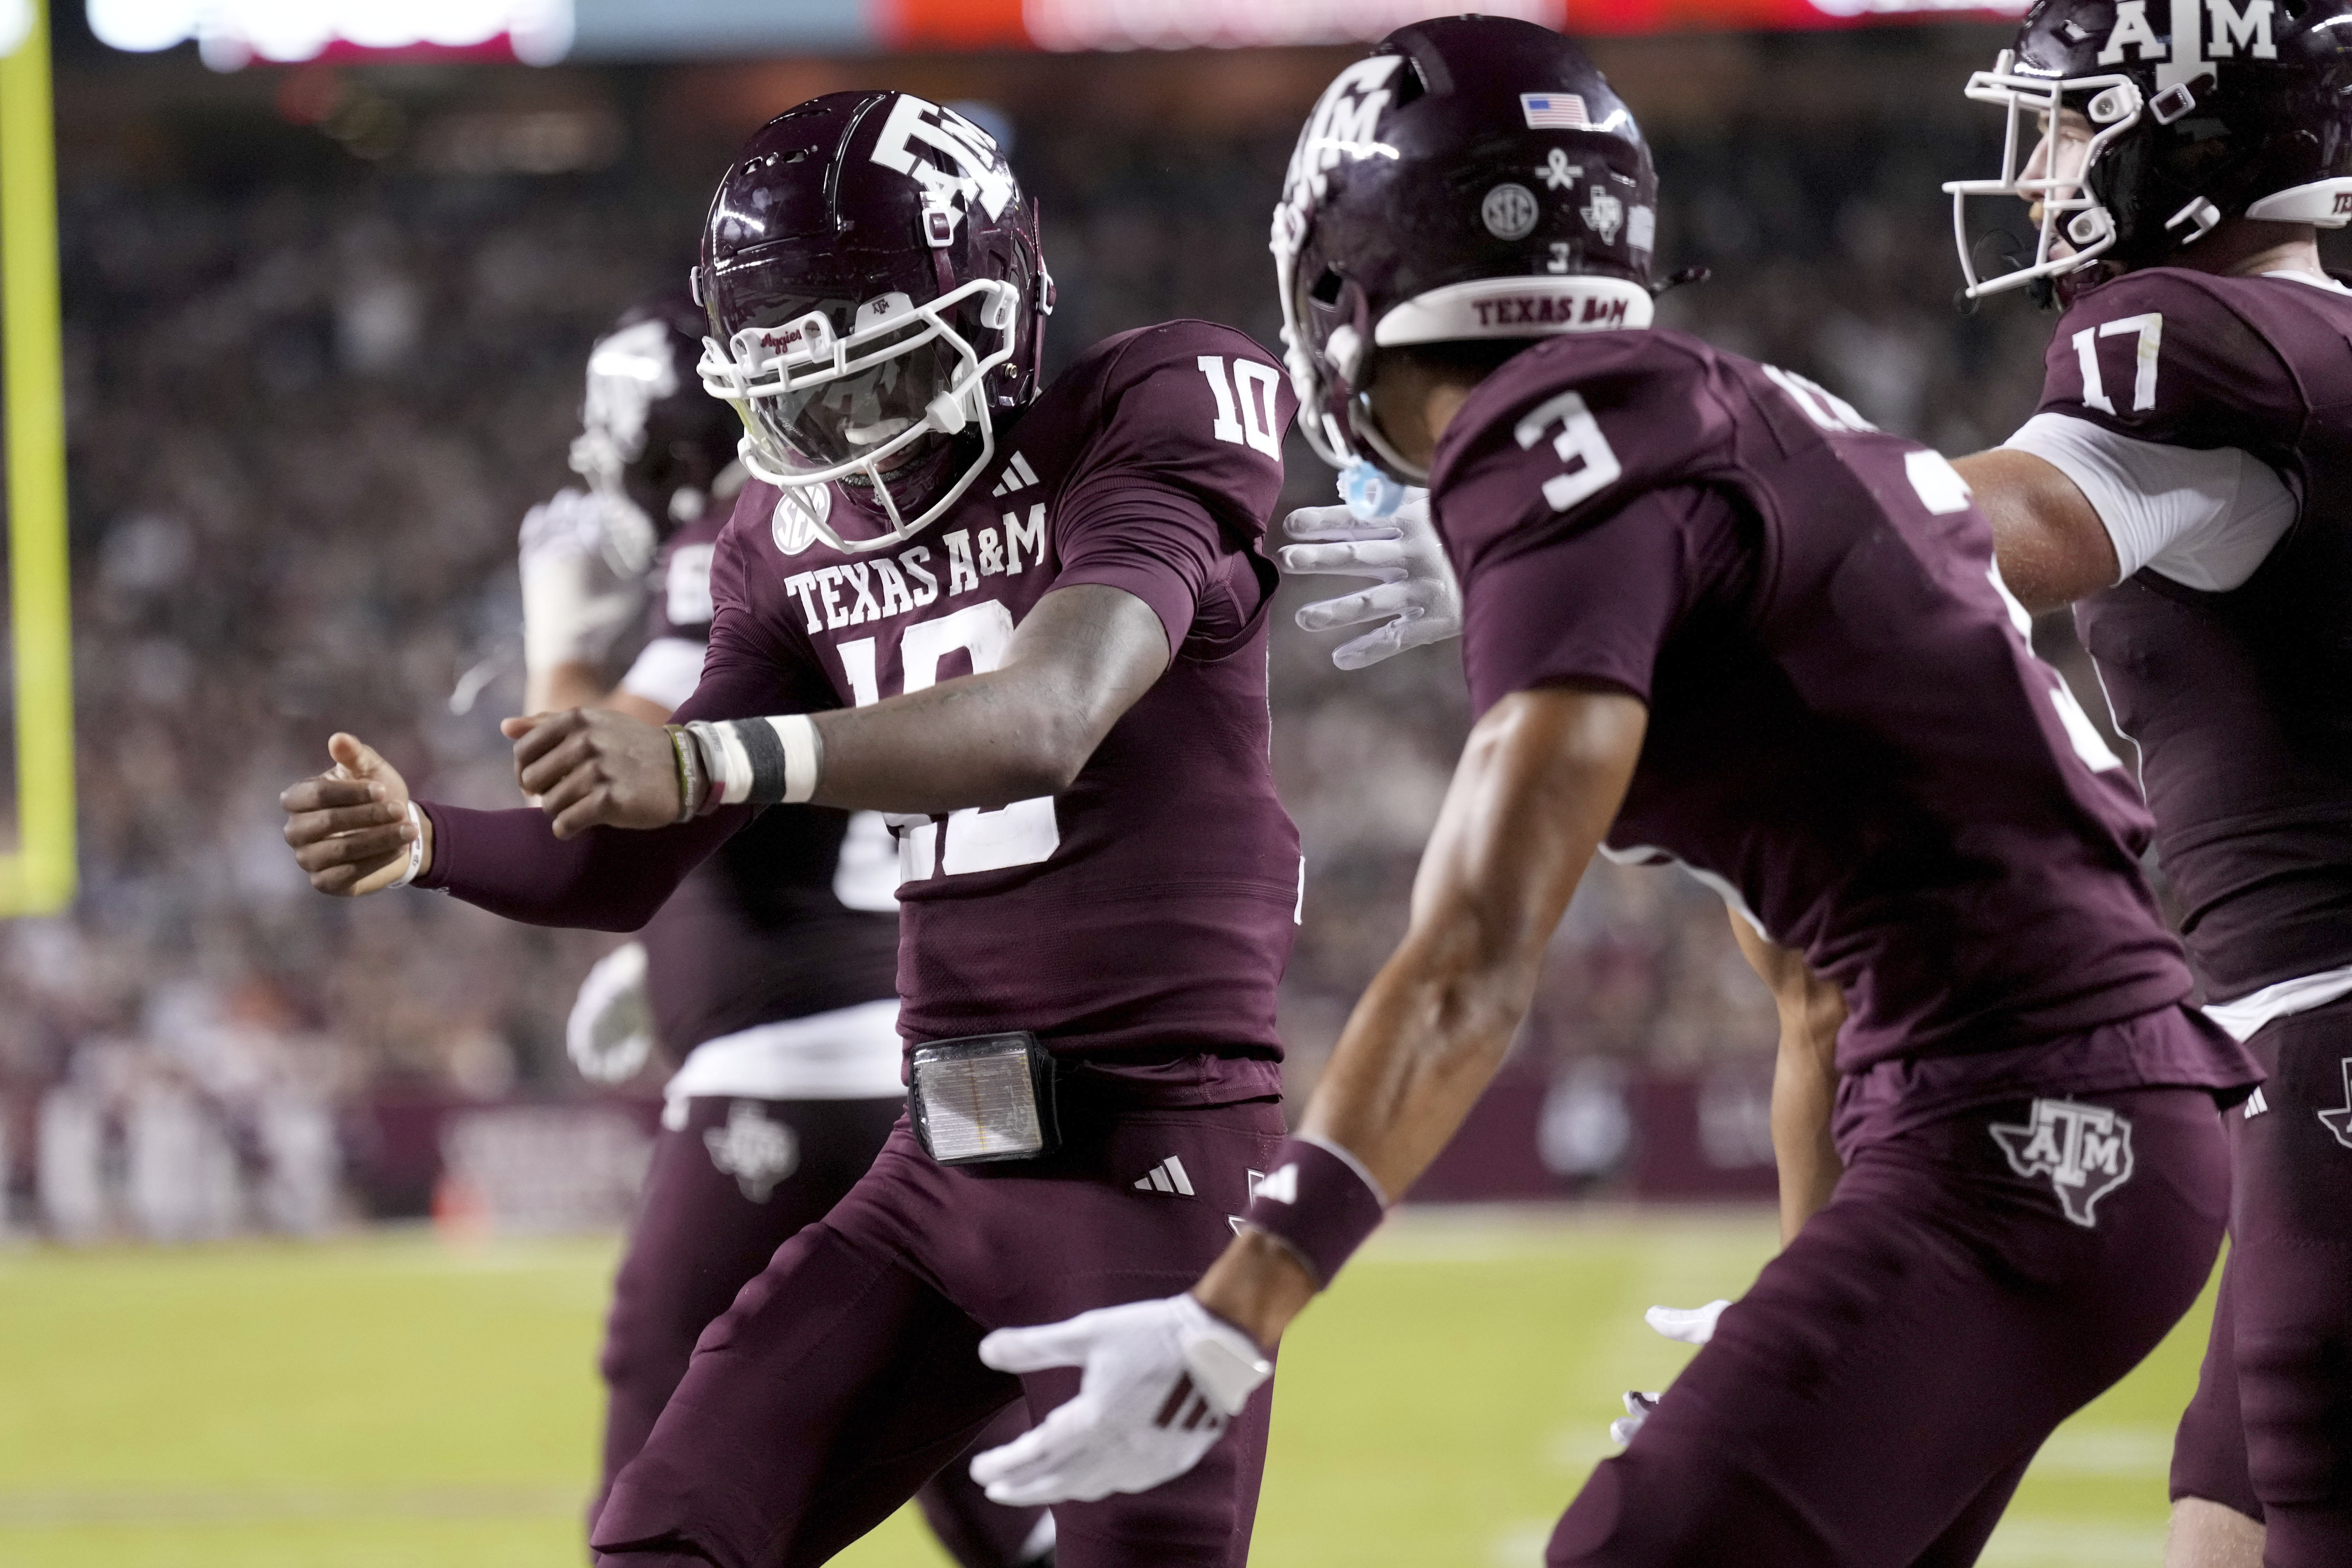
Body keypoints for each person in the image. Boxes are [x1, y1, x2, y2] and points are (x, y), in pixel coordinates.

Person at [959, 19, 2262, 1566]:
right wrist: (1812, 1269)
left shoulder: (1556, 449)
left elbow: (1469, 961)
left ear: (1351, 281)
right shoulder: (1726, 411)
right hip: (2068, 1122)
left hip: (2023, 1129)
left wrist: (1232, 1315)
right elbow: (1816, 979)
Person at [280, 88, 1302, 1568]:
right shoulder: (778, 539)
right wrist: (430, 840)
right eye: (799, 395)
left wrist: (709, 759)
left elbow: (1049, 713)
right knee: (668, 1534)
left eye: (877, 381)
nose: (842, 439)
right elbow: (622, 862)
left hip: (1150, 1163)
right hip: (934, 1163)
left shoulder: (1146, 407)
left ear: (992, 314)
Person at [516, 294, 1050, 1567]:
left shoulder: (731, 542)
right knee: (985, 1474)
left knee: (658, 1470)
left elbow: (591, 796)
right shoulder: (850, 526)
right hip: (920, 1052)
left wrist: (555, 650)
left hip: (796, 1076)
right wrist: (665, 950)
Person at [1931, 6, 2352, 1561]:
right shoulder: (2314, 344)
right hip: (2300, 1046)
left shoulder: (2202, 339)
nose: (2038, 176)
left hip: (2334, 1028)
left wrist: (1639, 532)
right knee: (2217, 1524)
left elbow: (1986, 535)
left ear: (2184, 137)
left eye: (2064, 128)